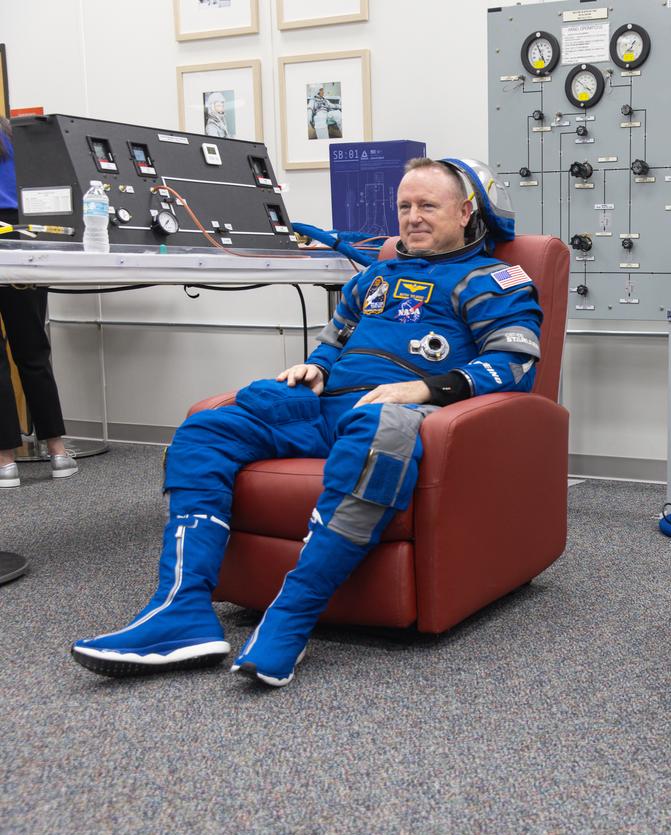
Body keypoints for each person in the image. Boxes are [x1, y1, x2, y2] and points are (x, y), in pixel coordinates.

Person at [72, 157, 542, 687]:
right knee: (207, 429)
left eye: (428, 205)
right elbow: (335, 340)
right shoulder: (374, 278)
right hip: (322, 409)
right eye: (405, 206)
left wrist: (427, 388)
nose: (412, 217)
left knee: (382, 432)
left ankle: (290, 617)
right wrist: (316, 366)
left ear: (465, 212)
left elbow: (515, 362)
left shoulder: (492, 281)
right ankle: (180, 611)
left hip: (396, 415)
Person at [0, 115, 78, 488]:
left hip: (14, 236)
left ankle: (5, 462)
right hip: (24, 239)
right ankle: (58, 452)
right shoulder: (17, 135)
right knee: (33, 351)